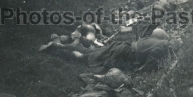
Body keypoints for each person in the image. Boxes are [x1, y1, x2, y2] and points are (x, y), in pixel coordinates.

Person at [41, 27, 171, 72]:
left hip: (123, 46)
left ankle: (59, 45)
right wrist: (142, 70)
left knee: (89, 52)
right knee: (86, 58)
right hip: (125, 53)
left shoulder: (149, 40)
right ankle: (55, 48)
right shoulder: (164, 45)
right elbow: (153, 58)